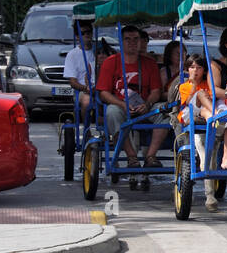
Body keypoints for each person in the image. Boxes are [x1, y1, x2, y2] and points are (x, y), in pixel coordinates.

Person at [95, 25, 161, 167]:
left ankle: (151, 156)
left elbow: (156, 91)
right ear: (121, 41)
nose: (132, 42)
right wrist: (122, 105)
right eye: (127, 39)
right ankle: (132, 156)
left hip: (144, 106)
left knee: (165, 112)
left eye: (136, 39)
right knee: (111, 111)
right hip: (121, 106)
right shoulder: (110, 62)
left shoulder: (149, 63)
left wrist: (147, 104)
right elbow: (104, 93)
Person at [64, 20, 98, 121]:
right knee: (87, 101)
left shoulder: (99, 51)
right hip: (83, 90)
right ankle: (86, 129)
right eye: (83, 33)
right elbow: (73, 82)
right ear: (77, 36)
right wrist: (86, 88)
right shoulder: (72, 55)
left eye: (89, 32)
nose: (87, 34)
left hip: (101, 88)